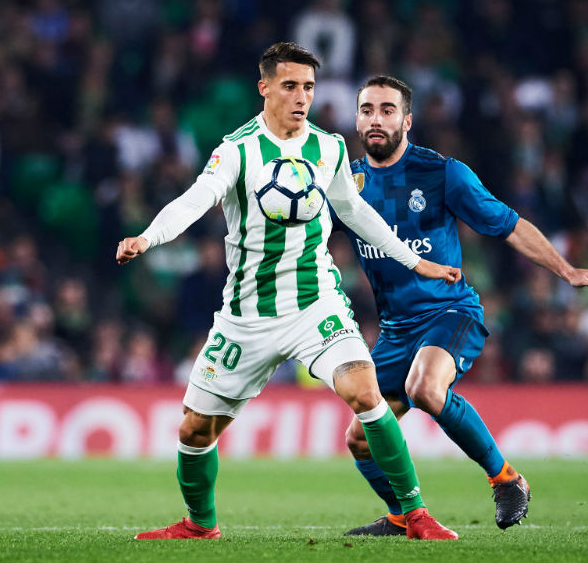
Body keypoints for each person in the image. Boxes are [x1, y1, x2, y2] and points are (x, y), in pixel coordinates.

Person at [115, 43, 462, 541]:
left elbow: (355, 211)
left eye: (309, 87)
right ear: (264, 88)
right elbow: (195, 200)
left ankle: (415, 514)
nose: (302, 97)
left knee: (366, 393)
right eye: (290, 86)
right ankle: (200, 524)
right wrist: (148, 237)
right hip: (246, 315)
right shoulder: (237, 151)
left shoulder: (329, 147)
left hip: (314, 303)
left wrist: (414, 260)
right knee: (193, 431)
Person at [338, 76, 588, 535]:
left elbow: (509, 224)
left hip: (449, 313)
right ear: (357, 119)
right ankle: (402, 516)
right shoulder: (344, 185)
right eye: (367, 110)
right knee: (360, 439)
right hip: (395, 330)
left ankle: (506, 480)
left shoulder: (443, 173)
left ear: (407, 120)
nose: (376, 119)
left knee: (425, 387)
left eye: (387, 110)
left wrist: (567, 271)